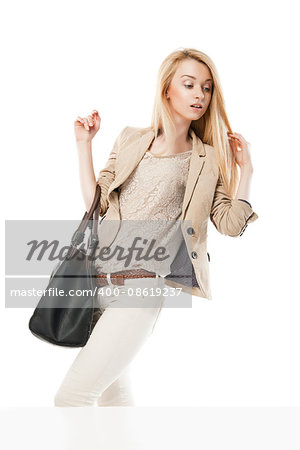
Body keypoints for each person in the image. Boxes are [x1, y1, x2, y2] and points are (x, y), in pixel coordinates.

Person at [54, 47, 258, 407]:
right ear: (167, 90)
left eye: (207, 88)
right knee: (111, 400)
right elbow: (96, 204)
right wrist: (84, 145)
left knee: (72, 397)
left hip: (140, 290)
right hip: (97, 282)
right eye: (190, 84)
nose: (199, 95)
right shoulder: (131, 138)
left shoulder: (208, 157)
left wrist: (246, 173)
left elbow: (228, 223)